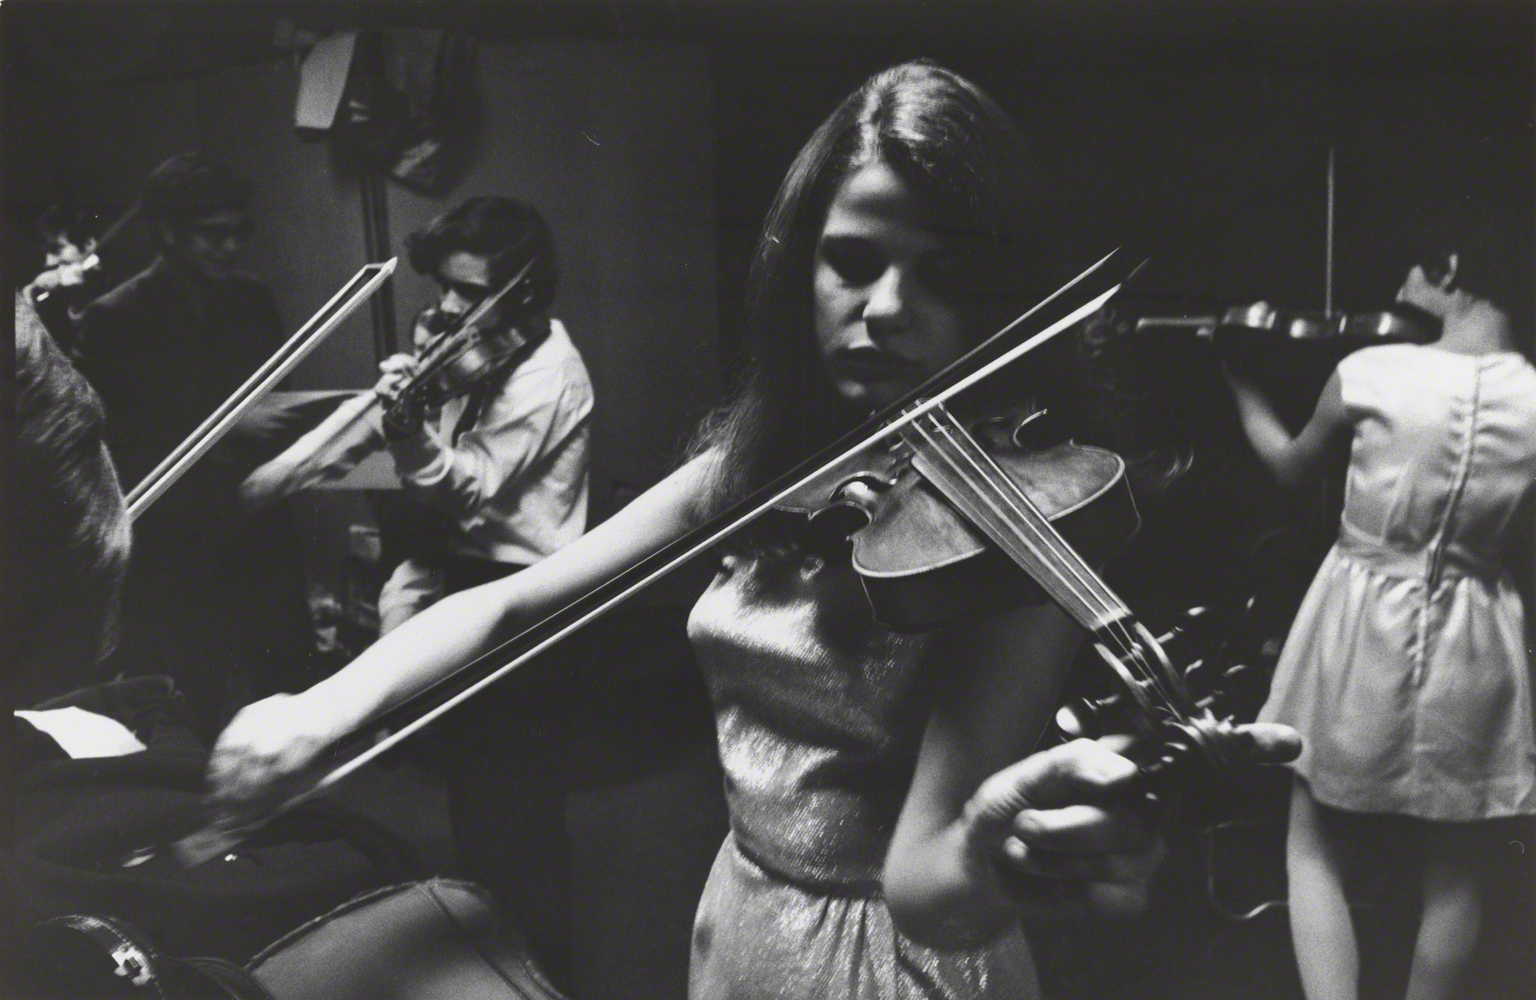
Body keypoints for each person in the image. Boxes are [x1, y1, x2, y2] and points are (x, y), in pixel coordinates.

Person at [210, 62, 1296, 999]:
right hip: (738, 911)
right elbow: (512, 598)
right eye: (855, 260)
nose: (883, 308)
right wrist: (321, 707)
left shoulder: (1014, 537)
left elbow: (925, 885)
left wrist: (997, 840)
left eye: (944, 272)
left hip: (884, 962)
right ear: (799, 267)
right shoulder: (766, 467)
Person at [1223, 191, 1536, 1000]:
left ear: (1451, 270)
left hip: (1360, 617)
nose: (1401, 286)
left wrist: (1241, 385)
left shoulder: (1371, 371)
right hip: (1480, 627)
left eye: (1413, 272)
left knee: (1314, 844)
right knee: (1458, 868)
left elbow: (1294, 473)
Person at [240, 195, 593, 633]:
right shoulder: (467, 333)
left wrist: (406, 433)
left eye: (468, 292)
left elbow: (467, 488)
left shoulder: (549, 373)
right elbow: (372, 415)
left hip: (516, 581)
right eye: (444, 285)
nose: (446, 305)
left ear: (523, 291)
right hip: (441, 561)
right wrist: (279, 474)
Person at [70, 151, 318, 738]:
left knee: (289, 686)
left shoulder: (252, 301)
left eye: (239, 233)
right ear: (168, 232)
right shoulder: (115, 317)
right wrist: (231, 428)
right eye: (213, 235)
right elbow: (106, 444)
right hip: (174, 545)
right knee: (185, 700)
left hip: (258, 530)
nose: (230, 248)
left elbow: (269, 397)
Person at [21, 205, 106, 354]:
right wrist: (31, 294)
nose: (49, 262)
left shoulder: (109, 279)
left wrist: (76, 293)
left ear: (88, 244)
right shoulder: (57, 289)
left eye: (57, 249)